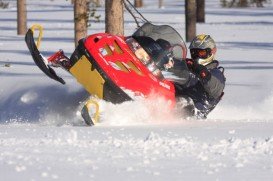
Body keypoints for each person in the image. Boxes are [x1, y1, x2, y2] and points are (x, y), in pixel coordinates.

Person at [174, 34, 226, 118]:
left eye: (201, 53)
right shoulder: (188, 65)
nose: (197, 56)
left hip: (194, 111)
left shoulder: (216, 73)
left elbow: (215, 88)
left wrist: (204, 74)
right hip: (172, 97)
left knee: (183, 101)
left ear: (211, 52)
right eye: (194, 53)